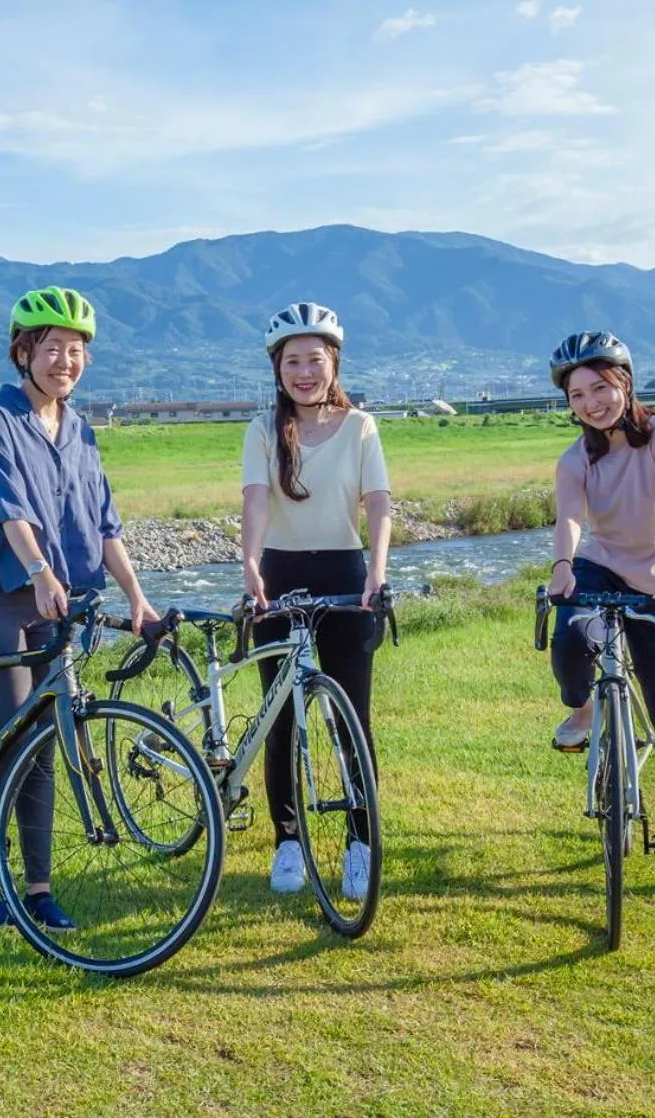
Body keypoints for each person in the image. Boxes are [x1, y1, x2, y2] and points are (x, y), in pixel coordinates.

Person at [0, 285, 161, 928]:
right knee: (13, 743)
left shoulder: (82, 432)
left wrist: (138, 599)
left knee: (49, 739)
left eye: (74, 351)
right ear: (23, 352)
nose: (63, 361)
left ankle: (37, 891)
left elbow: (104, 527)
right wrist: (40, 570)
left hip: (55, 599)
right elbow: (12, 509)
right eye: (50, 349)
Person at [545, 331, 655, 900]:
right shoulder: (574, 458)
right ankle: (581, 713)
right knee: (570, 636)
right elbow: (571, 518)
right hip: (601, 568)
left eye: (600, 387)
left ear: (624, 382)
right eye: (577, 395)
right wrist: (563, 565)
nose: (592, 403)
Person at [240, 302, 392, 900]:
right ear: (278, 367)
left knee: (352, 717)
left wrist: (376, 575)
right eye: (293, 361)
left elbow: (378, 503)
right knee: (280, 715)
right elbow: (255, 500)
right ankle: (288, 841)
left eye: (316, 360)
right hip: (278, 572)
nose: (305, 372)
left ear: (334, 363)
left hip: (347, 574)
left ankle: (360, 840)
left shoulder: (361, 427)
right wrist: (249, 564)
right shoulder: (261, 429)